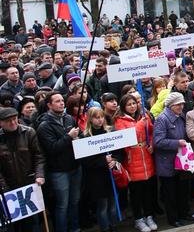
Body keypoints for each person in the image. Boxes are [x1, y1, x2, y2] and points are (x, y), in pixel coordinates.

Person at [36, 92, 82, 232]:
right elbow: (52, 148)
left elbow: (77, 136)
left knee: (74, 201)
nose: (61, 103)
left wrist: (79, 139)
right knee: (62, 204)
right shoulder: (44, 125)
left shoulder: (69, 118)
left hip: (75, 167)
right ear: (49, 105)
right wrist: (69, 137)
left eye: (62, 100)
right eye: (57, 101)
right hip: (59, 171)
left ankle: (75, 228)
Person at [114, 94, 157, 232]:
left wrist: (151, 144)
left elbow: (151, 132)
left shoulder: (143, 116)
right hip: (132, 159)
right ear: (123, 107)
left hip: (146, 157)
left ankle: (149, 215)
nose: (133, 106)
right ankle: (139, 219)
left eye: (134, 103)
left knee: (148, 191)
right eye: (129, 104)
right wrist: (140, 124)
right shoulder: (120, 121)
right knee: (136, 193)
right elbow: (127, 138)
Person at [0, 107, 45, 232]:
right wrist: (4, 188)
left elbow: (39, 156)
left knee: (32, 221)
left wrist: (39, 174)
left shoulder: (29, 132)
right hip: (8, 189)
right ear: (1, 123)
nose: (13, 123)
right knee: (12, 224)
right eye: (8, 121)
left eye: (14, 119)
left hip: (29, 185)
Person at [153, 92, 191, 228]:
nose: (181, 106)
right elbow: (157, 141)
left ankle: (184, 213)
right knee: (170, 193)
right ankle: (173, 218)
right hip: (167, 162)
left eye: (182, 104)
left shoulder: (180, 116)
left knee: (182, 189)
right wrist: (177, 143)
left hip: (181, 159)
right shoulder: (162, 119)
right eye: (178, 104)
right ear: (170, 105)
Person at [81, 108, 118, 232]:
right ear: (90, 119)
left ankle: (113, 225)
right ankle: (105, 227)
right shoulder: (85, 136)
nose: (100, 120)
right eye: (97, 117)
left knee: (112, 204)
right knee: (102, 206)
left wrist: (114, 160)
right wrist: (103, 160)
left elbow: (120, 151)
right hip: (96, 177)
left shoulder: (110, 131)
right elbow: (86, 161)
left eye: (101, 117)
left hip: (111, 174)